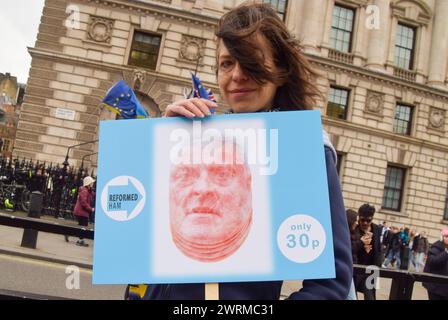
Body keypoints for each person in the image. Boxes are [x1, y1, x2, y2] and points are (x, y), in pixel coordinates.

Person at [126, 2, 352, 300]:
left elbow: (329, 285)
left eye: (252, 62)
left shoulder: (304, 150)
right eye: (226, 63)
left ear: (281, 70)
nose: (237, 75)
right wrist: (164, 147)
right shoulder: (194, 135)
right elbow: (140, 234)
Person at [169, 140, 253, 262]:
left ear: (248, 185)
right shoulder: (159, 272)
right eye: (184, 174)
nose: (202, 188)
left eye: (223, 174)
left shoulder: (263, 267)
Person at [353, 203, 382, 300]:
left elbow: (378, 248)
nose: (365, 222)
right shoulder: (354, 229)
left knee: (370, 297)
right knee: (352, 297)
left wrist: (378, 264)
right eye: (362, 219)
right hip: (356, 269)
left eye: (368, 220)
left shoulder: (376, 229)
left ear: (372, 219)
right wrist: (362, 241)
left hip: (371, 270)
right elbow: (351, 248)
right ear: (358, 217)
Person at [423, 228, 448, 300]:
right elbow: (434, 262)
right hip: (435, 287)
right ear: (442, 238)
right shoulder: (436, 248)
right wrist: (446, 253)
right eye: (446, 236)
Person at [72, 176, 95, 247]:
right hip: (81, 212)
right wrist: (91, 209)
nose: (93, 184)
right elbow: (83, 202)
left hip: (82, 212)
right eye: (92, 183)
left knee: (81, 226)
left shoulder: (87, 190)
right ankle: (80, 241)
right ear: (88, 183)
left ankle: (72, 235)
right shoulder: (84, 191)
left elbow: (92, 195)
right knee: (83, 227)